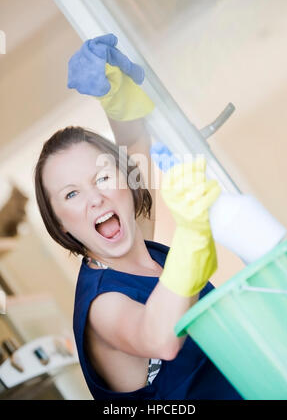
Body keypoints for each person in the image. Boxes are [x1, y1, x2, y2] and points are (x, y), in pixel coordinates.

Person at [34, 35, 243, 400]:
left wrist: (116, 94)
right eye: (71, 194)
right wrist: (193, 239)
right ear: (60, 222)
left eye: (101, 177)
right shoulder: (102, 305)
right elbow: (159, 337)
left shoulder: (137, 240)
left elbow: (135, 145)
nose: (96, 197)